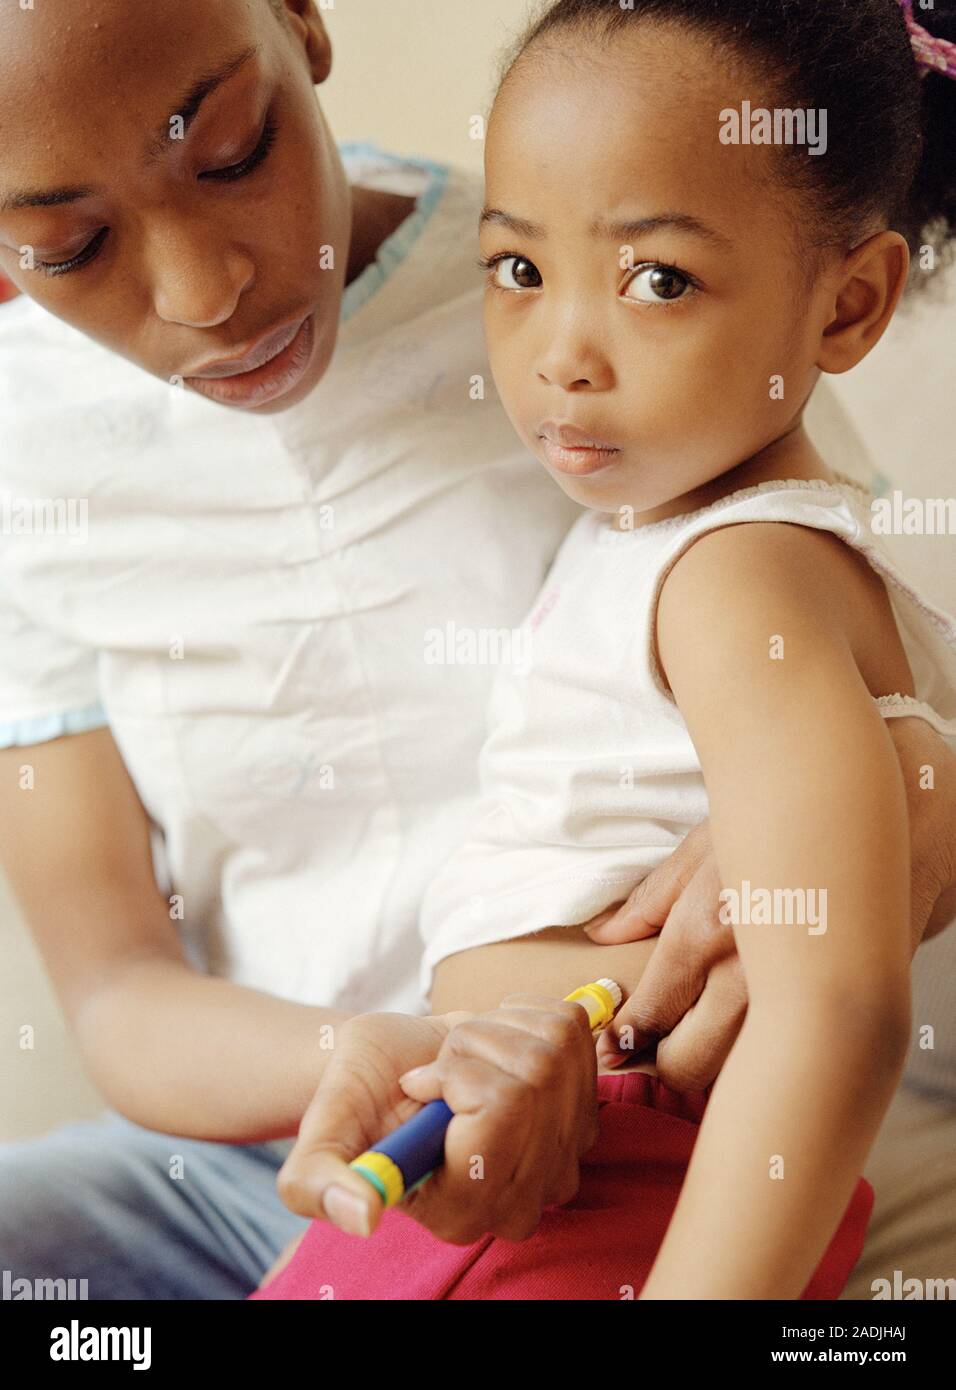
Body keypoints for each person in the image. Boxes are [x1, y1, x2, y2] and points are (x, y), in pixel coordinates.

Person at [0, 0, 952, 1300]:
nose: (203, 288)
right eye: (71, 245)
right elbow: (115, 981)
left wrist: (915, 780)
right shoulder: (27, 452)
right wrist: (413, 1051)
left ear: (300, 22)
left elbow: (861, 628)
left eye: (231, 152)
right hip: (300, 1148)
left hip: (630, 1130)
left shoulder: (640, 242)